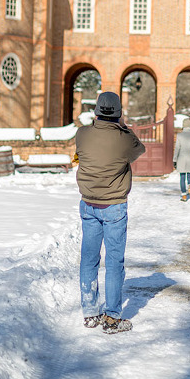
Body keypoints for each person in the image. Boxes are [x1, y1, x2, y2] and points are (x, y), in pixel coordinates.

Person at [75, 91, 145, 334]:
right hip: (114, 205)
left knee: (89, 258)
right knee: (114, 262)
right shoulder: (124, 139)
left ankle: (90, 312)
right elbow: (139, 149)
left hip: (89, 204)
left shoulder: (82, 134)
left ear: (96, 111)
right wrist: (123, 126)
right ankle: (112, 318)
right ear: (118, 113)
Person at [173, 118, 190, 202]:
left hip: (181, 158)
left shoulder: (179, 135)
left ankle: (184, 196)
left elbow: (177, 148)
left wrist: (174, 159)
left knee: (182, 176)